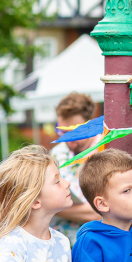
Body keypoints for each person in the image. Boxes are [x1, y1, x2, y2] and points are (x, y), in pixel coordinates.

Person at [51, 92, 104, 244]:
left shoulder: (106, 151)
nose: (69, 139)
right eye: (62, 132)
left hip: (92, 244)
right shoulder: (58, 152)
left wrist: (55, 208)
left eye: (75, 132)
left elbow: (102, 211)